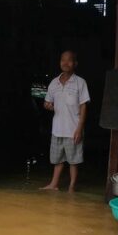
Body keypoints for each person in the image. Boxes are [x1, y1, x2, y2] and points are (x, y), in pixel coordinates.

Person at [40, 50, 90, 193]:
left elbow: (83, 106)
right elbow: (47, 102)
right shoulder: (54, 83)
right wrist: (47, 105)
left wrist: (79, 128)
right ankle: (54, 184)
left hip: (73, 129)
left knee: (73, 161)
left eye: (69, 60)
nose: (65, 63)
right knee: (58, 160)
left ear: (75, 64)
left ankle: (71, 187)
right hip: (57, 129)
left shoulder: (80, 82)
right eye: (63, 60)